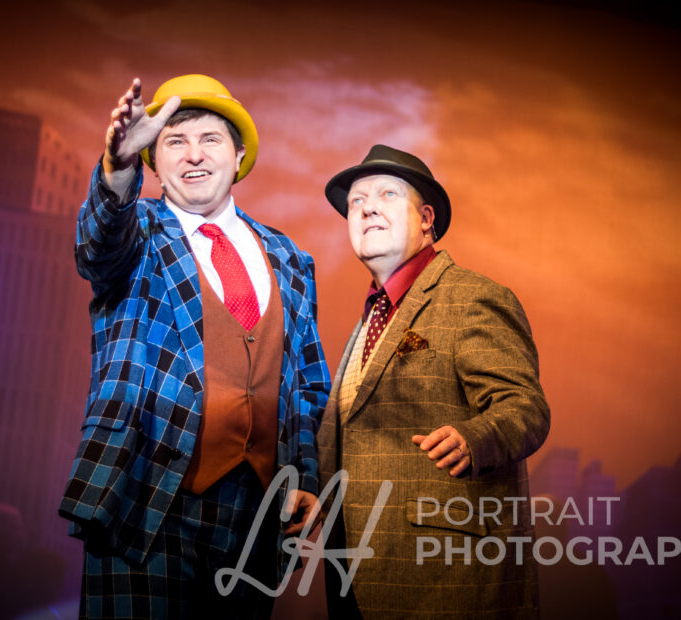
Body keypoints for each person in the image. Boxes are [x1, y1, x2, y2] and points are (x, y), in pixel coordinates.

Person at [58, 74, 330, 619]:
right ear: (153, 161)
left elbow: (306, 385)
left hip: (255, 518)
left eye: (210, 139)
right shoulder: (137, 230)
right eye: (174, 142)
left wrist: (305, 476)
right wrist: (117, 168)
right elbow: (97, 246)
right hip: (144, 497)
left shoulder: (291, 258)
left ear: (239, 154)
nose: (193, 155)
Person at [317, 145, 550, 618]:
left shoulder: (472, 297)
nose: (367, 208)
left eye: (385, 194)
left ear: (426, 219)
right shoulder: (370, 321)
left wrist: (475, 436)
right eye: (356, 202)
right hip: (356, 579)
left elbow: (525, 407)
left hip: (447, 581)